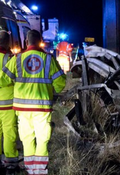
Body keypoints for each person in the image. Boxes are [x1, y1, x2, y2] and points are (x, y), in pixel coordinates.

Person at [0, 30, 66, 175]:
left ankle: (30, 169)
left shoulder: (17, 59)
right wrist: (52, 89)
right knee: (42, 139)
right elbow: (61, 83)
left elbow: (2, 79)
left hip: (22, 109)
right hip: (42, 107)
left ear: (26, 42)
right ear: (40, 40)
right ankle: (40, 170)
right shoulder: (49, 59)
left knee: (27, 138)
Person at [0, 31, 19, 173]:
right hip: (6, 103)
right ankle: (10, 162)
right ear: (7, 43)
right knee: (9, 132)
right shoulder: (10, 59)